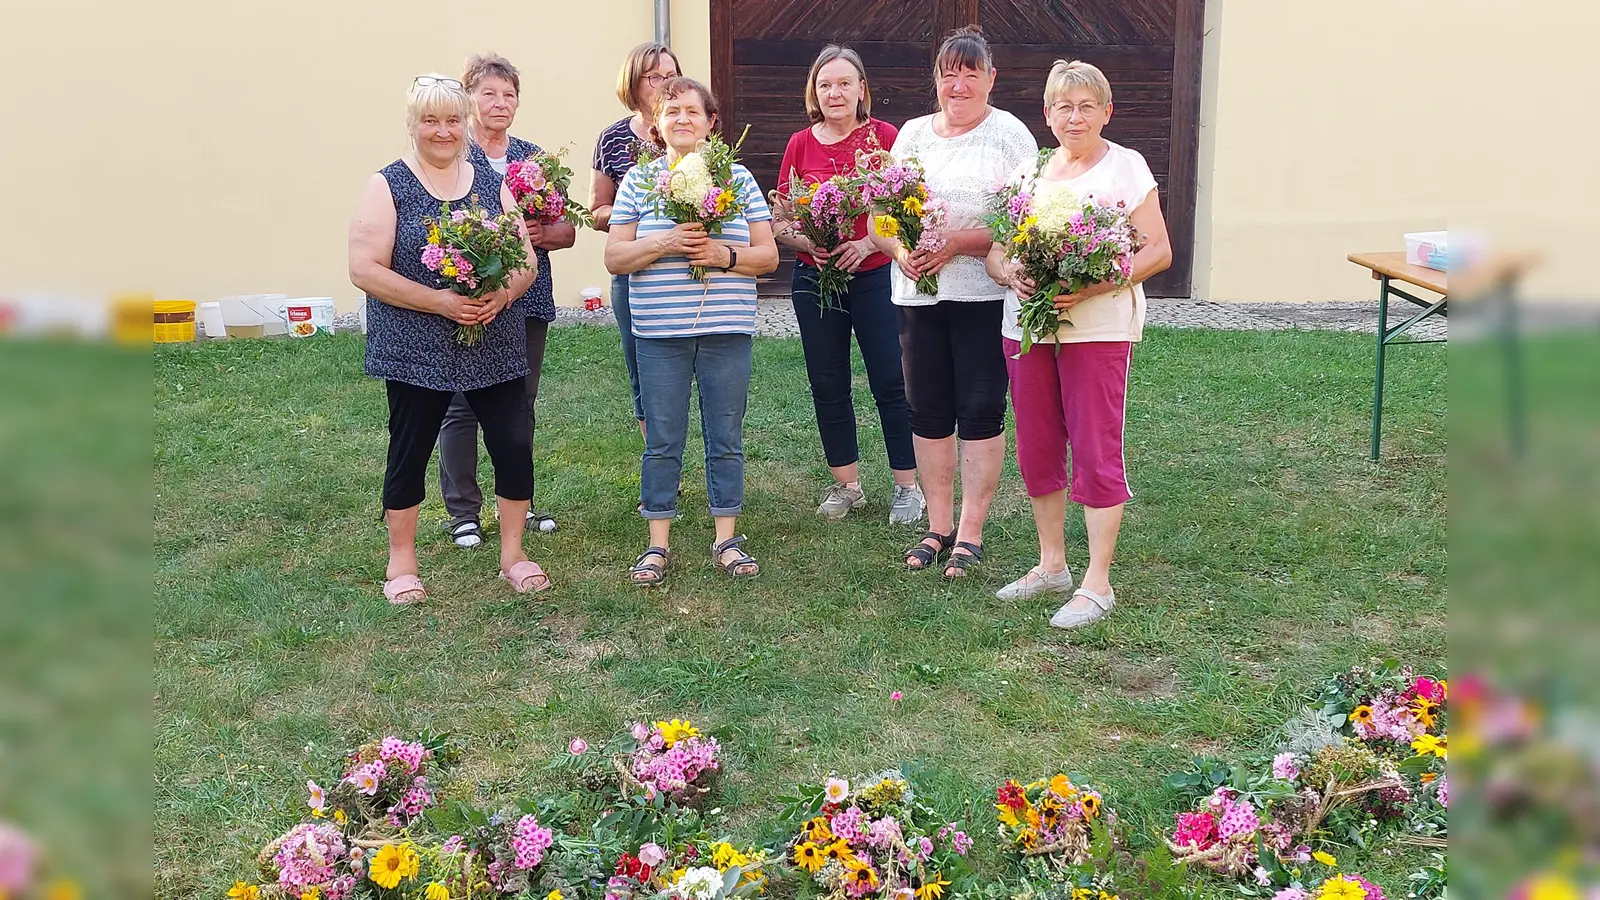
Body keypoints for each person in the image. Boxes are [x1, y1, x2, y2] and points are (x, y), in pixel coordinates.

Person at [348, 74, 551, 603]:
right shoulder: (388, 184)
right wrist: (438, 301)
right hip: (414, 347)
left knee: (513, 445)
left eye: (453, 120)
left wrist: (502, 294)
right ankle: (401, 562)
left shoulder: (491, 184)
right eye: (431, 121)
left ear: (465, 124)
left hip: (494, 341)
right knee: (410, 449)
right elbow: (364, 268)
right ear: (413, 124)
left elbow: (526, 259)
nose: (443, 131)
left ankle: (513, 555)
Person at [984, 59, 1171, 628]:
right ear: (1047, 115)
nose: (1075, 117)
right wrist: (1010, 273)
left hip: (1098, 330)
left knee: (1095, 446)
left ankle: (1097, 583)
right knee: (1038, 447)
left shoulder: (1126, 166)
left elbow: (1158, 250)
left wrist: (1094, 284)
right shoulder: (1029, 173)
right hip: (1027, 330)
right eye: (1064, 107)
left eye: (1087, 106)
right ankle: (1051, 565)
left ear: (1106, 112)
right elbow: (997, 252)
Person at [871, 26, 1037, 579]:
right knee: (927, 410)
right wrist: (901, 251)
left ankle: (970, 531)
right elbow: (880, 217)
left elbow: (1024, 221)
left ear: (991, 78)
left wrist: (957, 243)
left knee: (981, 410)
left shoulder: (1010, 137)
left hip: (983, 296)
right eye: (949, 74)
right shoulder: (912, 136)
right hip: (917, 297)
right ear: (936, 79)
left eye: (971, 73)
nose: (959, 85)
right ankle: (937, 526)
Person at [603, 76, 779, 584]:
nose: (682, 119)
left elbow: (767, 257)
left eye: (692, 111)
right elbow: (615, 257)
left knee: (725, 434)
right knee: (662, 438)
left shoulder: (737, 179)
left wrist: (722, 255)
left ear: (710, 122)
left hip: (726, 328)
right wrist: (667, 243)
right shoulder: (640, 180)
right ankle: (657, 544)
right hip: (660, 333)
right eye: (672, 111)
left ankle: (727, 539)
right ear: (657, 124)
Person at [771, 45, 924, 526]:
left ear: (862, 89)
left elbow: (906, 210)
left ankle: (908, 487)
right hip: (815, 278)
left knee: (891, 380)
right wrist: (809, 243)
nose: (834, 93)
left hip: (876, 275)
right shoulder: (800, 144)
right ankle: (847, 485)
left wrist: (868, 243)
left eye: (843, 83)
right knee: (828, 381)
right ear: (813, 93)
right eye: (825, 85)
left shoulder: (886, 138)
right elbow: (779, 220)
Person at [436, 53, 576, 548]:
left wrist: (540, 233)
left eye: (509, 94)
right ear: (468, 98)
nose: (500, 103)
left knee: (520, 401)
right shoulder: (452, 154)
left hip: (526, 294)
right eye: (489, 93)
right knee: (461, 402)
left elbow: (566, 231)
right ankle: (463, 512)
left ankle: (519, 500)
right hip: (469, 296)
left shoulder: (533, 160)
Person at [588, 42, 681, 438]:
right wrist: (637, 216)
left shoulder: (690, 130)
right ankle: (657, 454)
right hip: (634, 271)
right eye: (654, 77)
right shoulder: (612, 138)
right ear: (633, 83)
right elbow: (597, 211)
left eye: (671, 75)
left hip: (690, 266)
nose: (664, 84)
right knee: (643, 367)